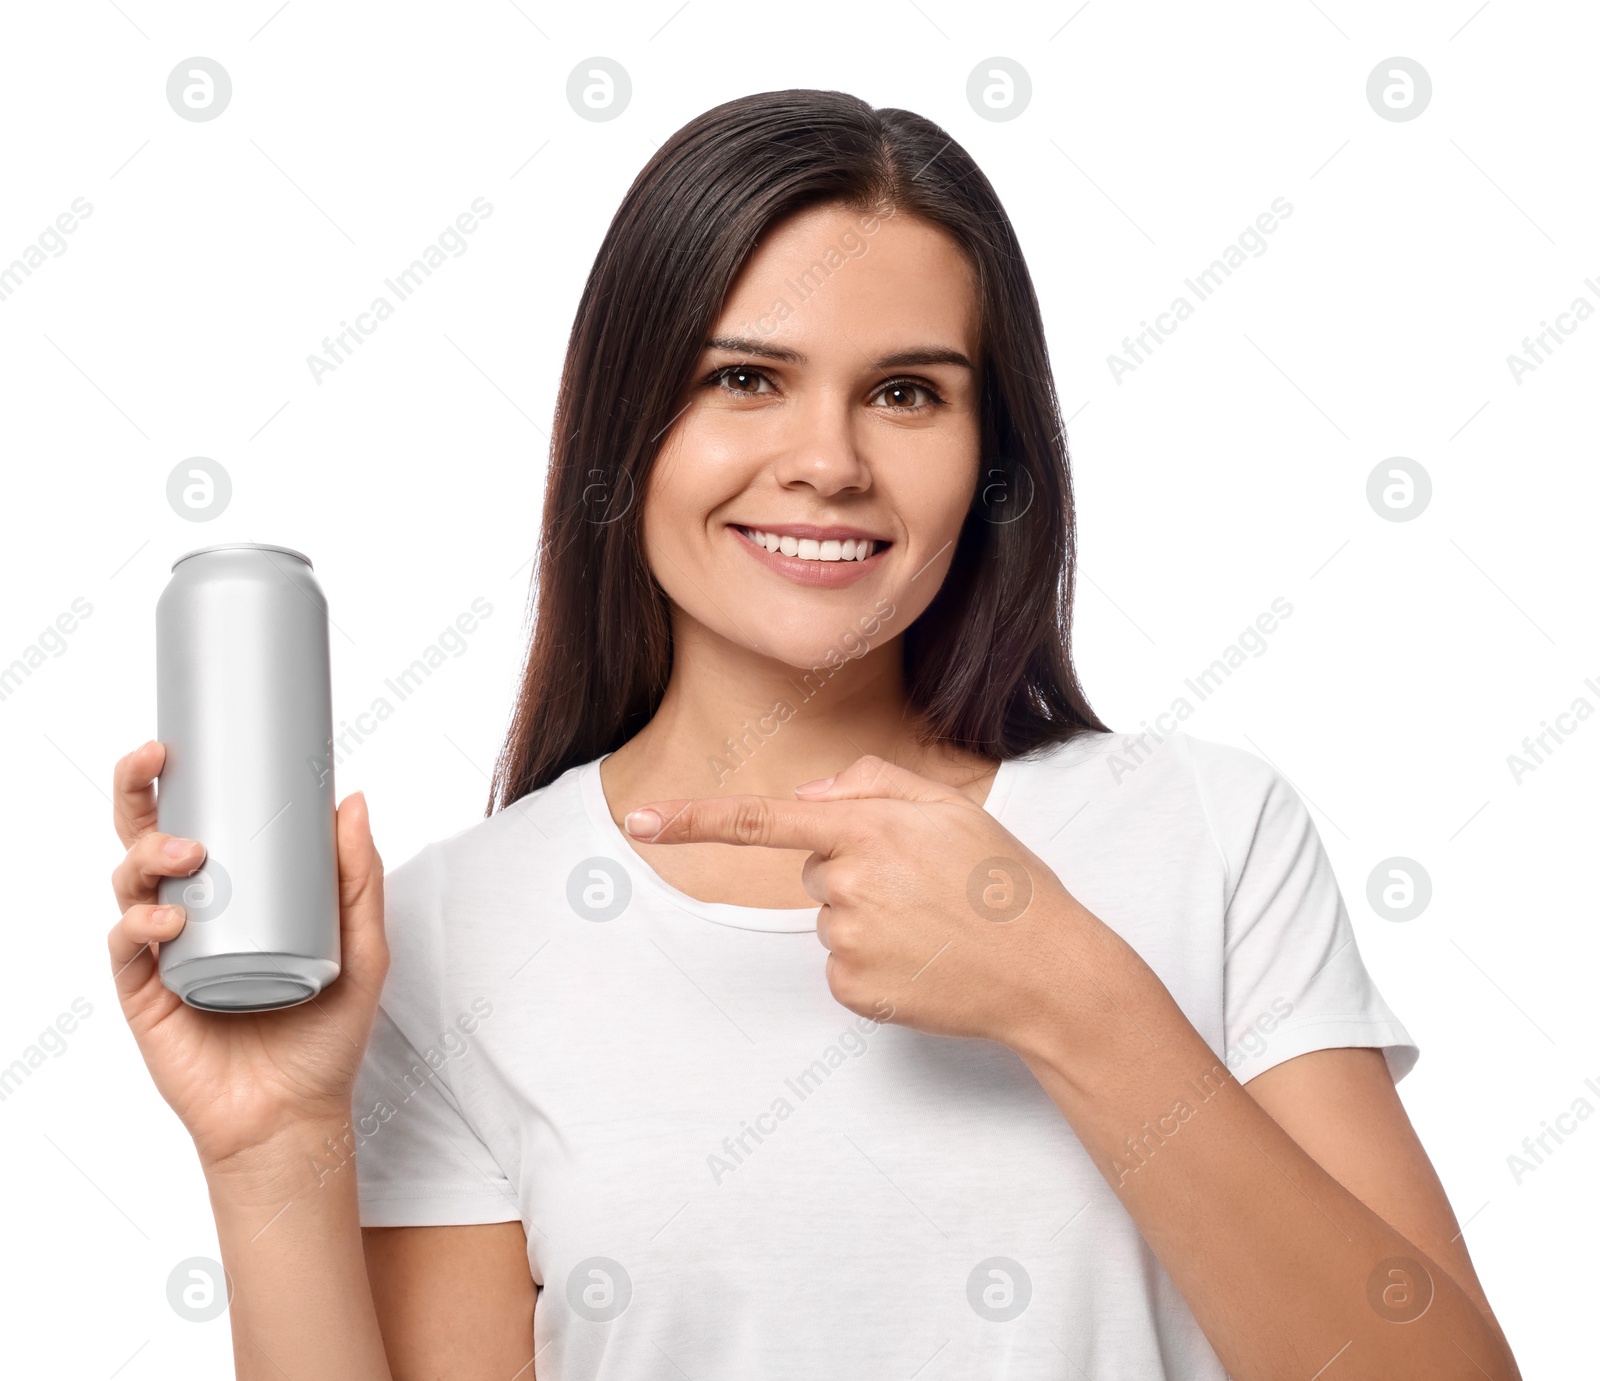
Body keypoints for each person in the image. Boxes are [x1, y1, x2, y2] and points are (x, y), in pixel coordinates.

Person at [107, 89, 1519, 1379]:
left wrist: (1067, 987)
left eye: (907, 392)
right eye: (744, 379)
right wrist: (276, 1151)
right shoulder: (454, 932)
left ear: (993, 452)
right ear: (629, 427)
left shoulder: (1210, 836)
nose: (830, 461)